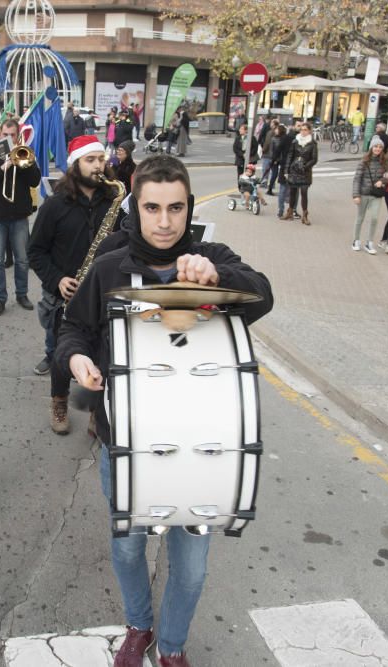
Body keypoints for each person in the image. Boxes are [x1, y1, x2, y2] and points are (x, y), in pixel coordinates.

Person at [55, 154, 273, 667]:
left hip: (202, 446)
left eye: (175, 208)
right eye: (152, 208)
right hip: (126, 443)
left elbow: (262, 294)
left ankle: (171, 647)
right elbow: (72, 330)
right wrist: (78, 359)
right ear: (136, 208)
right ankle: (139, 624)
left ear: (188, 206)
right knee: (129, 549)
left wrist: (217, 274)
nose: (165, 220)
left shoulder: (211, 257)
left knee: (191, 569)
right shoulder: (109, 266)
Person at [28, 134, 122, 432]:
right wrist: (58, 280)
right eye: (90, 160)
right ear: (75, 165)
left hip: (103, 292)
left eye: (100, 159)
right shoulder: (54, 205)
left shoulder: (115, 202)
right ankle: (59, 400)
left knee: (101, 352)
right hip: (64, 295)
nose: (98, 166)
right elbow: (35, 251)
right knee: (61, 354)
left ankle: (96, 408)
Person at [0, 119, 41, 316]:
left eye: (12, 135)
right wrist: (2, 168)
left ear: (17, 134)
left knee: (22, 259)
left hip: (19, 215)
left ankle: (22, 295)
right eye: (5, 134)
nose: (8, 138)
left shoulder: (25, 152)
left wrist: (23, 163)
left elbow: (35, 180)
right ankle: (0, 299)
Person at [351, 138, 388, 254]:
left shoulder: (384, 162)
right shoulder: (364, 161)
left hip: (376, 195)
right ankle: (356, 240)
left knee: (374, 218)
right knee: (360, 217)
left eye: (380, 147)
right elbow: (357, 179)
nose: (377, 149)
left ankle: (369, 243)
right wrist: (355, 195)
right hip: (363, 194)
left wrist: (382, 181)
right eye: (375, 146)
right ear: (371, 148)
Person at [282, 122, 317, 225]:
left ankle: (305, 215)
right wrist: (286, 170)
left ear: (309, 131)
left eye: (305, 130)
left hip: (305, 172)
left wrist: (305, 166)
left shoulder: (312, 143)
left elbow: (314, 159)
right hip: (294, 170)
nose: (303, 132)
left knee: (304, 192)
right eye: (301, 129)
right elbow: (290, 156)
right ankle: (290, 212)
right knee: (292, 192)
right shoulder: (295, 141)